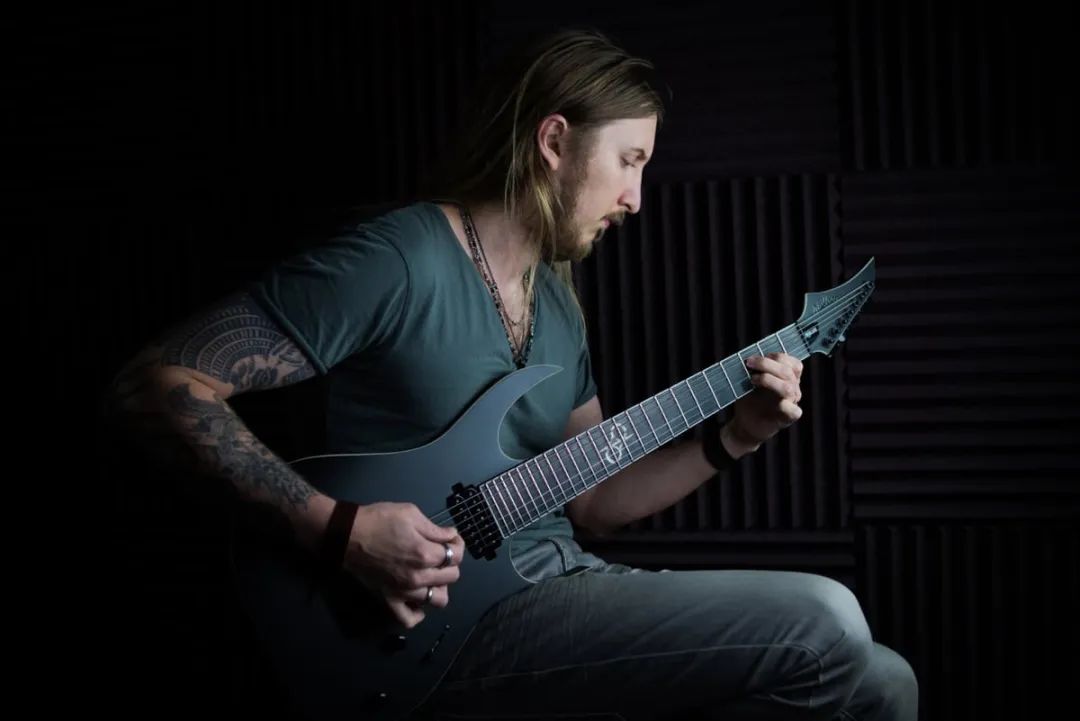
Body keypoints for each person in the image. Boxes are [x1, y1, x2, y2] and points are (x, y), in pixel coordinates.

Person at [106, 27, 917, 721]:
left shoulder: (558, 306)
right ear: (555, 142)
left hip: (558, 583)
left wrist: (734, 437)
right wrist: (339, 529)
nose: (637, 198)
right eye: (628, 160)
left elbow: (595, 501)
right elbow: (159, 382)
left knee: (885, 683)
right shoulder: (402, 259)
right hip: (440, 629)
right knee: (827, 614)